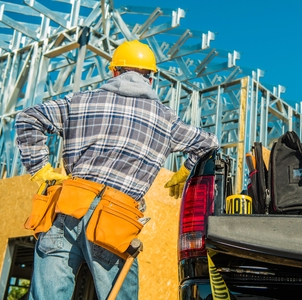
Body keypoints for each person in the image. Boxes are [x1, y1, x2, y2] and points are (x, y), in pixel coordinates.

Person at [15, 39, 219, 300]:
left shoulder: (80, 101)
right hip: (116, 218)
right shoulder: (166, 119)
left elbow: (28, 118)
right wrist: (185, 170)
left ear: (113, 71)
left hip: (68, 205)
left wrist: (39, 169)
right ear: (151, 79)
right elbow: (209, 143)